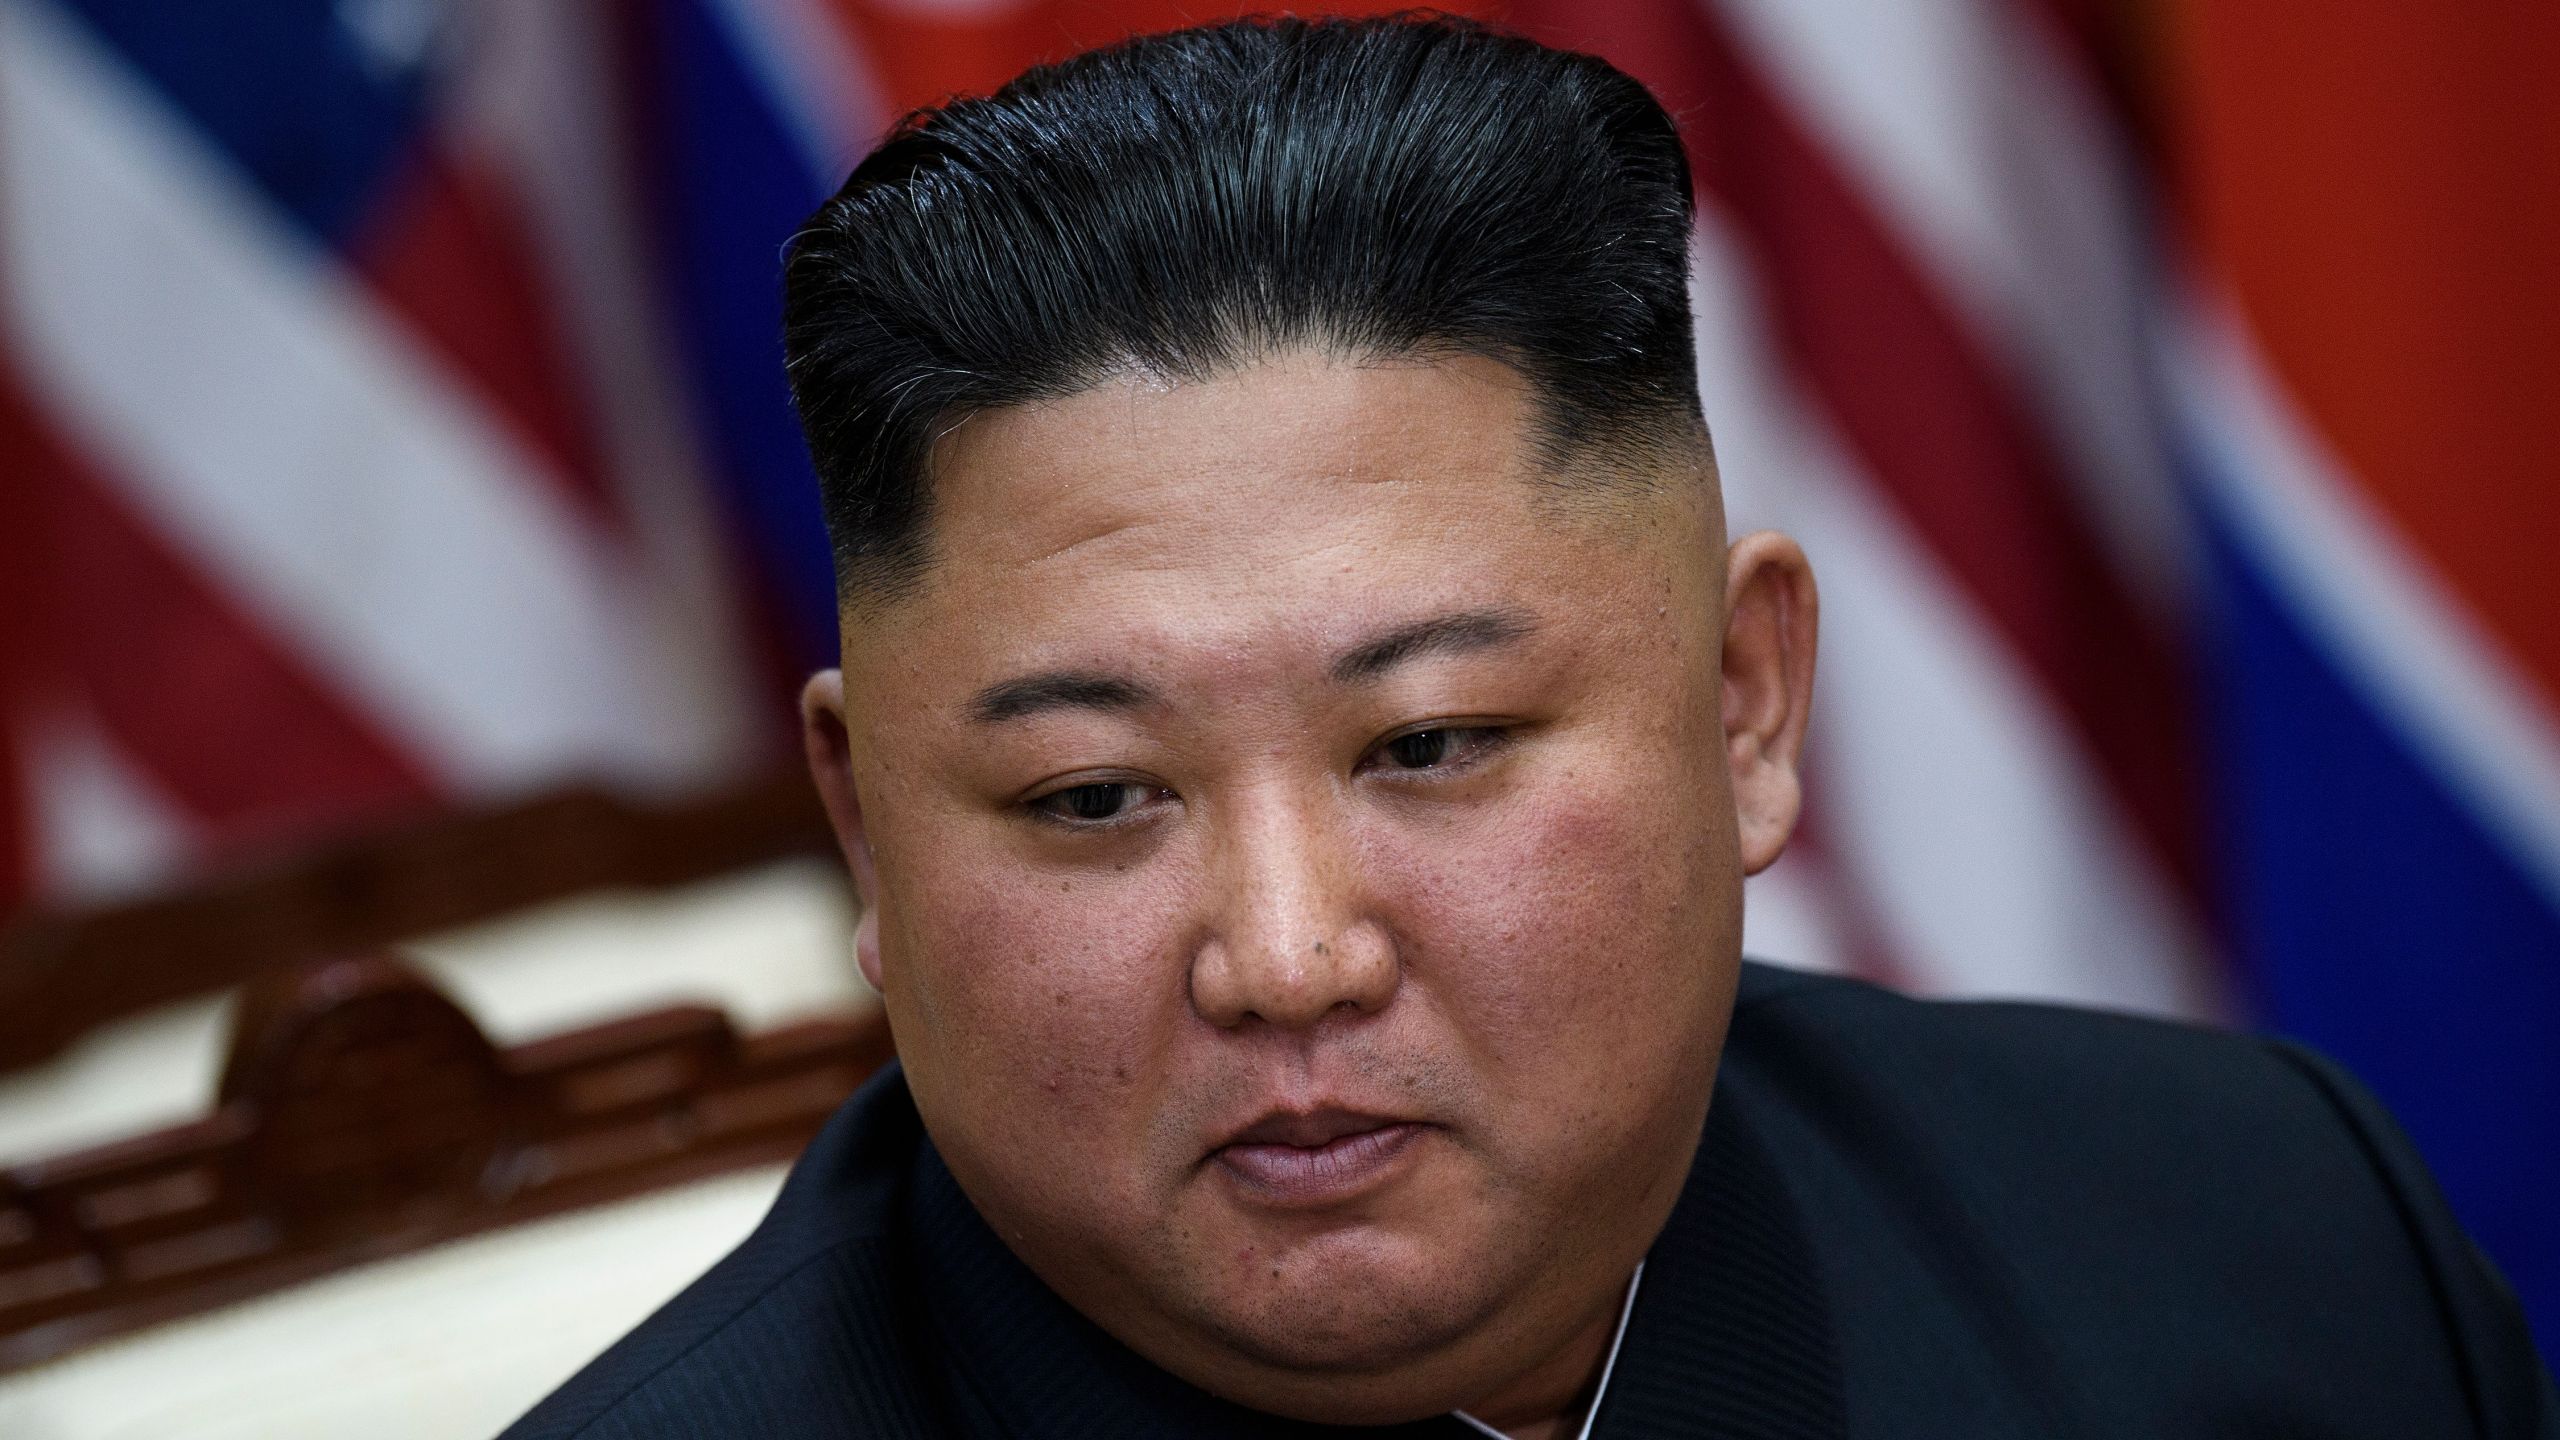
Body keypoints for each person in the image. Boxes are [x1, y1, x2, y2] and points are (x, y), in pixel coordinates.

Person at [503, 15, 2556, 1438]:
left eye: (1428, 745)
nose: (1287, 954)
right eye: (1092, 793)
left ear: (1743, 705)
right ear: (867, 838)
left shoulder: (2263, 1243)